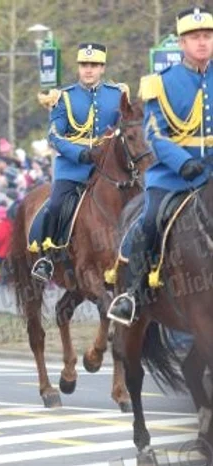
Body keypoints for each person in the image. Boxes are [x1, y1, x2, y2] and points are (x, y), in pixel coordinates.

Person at [108, 6, 213, 326]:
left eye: (208, 36)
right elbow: (154, 133)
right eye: (194, 37)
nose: (202, 42)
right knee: (150, 221)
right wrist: (183, 164)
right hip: (172, 176)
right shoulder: (160, 83)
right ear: (181, 43)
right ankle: (133, 295)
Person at [31, 42, 125, 282]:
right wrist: (79, 153)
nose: (89, 70)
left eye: (94, 65)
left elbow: (124, 129)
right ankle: (47, 258)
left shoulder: (117, 95)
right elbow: (54, 135)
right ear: (79, 67)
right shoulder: (64, 97)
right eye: (84, 65)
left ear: (102, 68)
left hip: (107, 170)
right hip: (72, 169)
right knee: (55, 205)